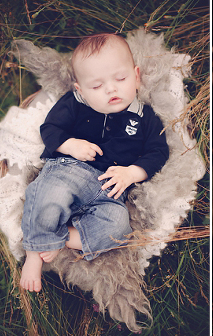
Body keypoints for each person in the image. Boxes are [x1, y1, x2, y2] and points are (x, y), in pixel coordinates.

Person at [19, 33, 169, 293]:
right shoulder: (75, 104)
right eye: (97, 86)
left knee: (118, 227)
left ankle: (61, 238)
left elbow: (158, 151)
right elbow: (50, 128)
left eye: (120, 79)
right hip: (68, 172)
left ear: (136, 76)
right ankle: (34, 252)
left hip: (109, 190)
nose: (111, 89)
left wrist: (132, 173)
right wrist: (69, 145)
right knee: (47, 195)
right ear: (81, 90)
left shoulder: (146, 117)